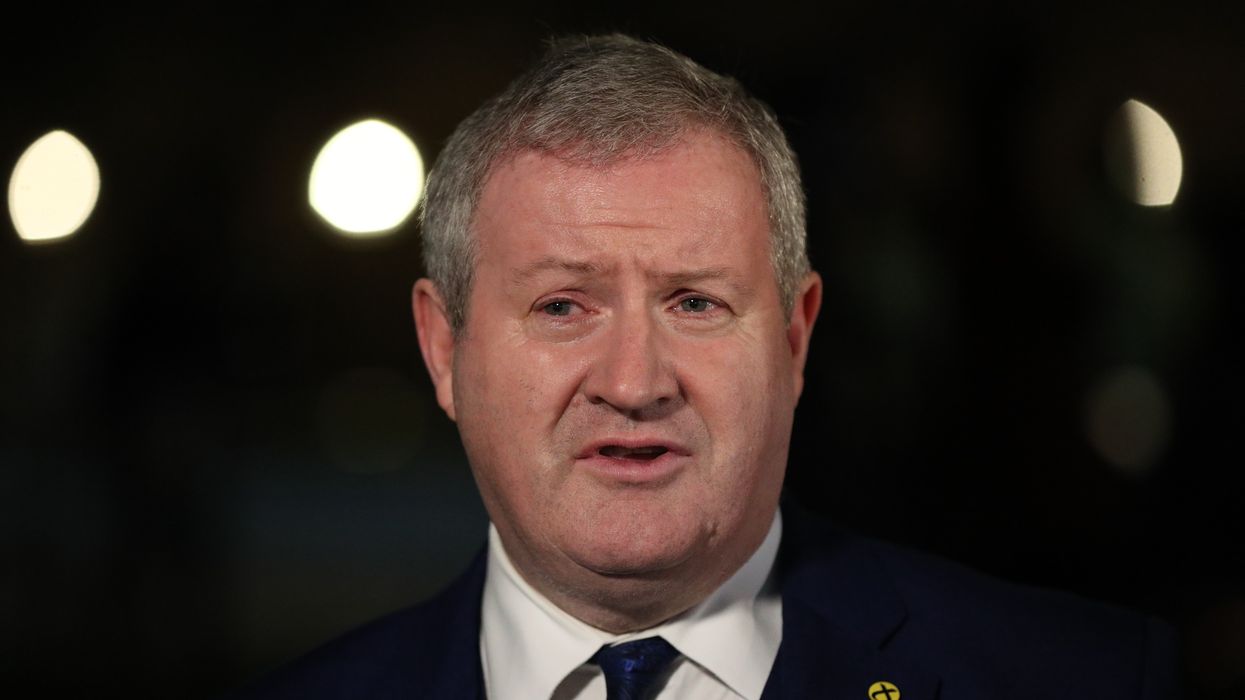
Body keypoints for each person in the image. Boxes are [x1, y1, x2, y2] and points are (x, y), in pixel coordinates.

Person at [235, 34, 1186, 699]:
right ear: (445, 349)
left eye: (695, 303)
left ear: (794, 338)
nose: (634, 381)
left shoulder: (1084, 679)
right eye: (563, 307)